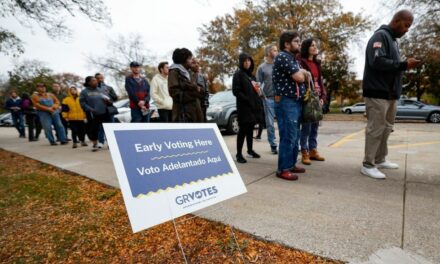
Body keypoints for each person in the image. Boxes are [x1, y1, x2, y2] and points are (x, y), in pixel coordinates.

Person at [361, 10, 422, 179]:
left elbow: (392, 66)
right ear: (396, 21)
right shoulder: (380, 36)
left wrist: (403, 66)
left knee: (386, 128)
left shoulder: (393, 41)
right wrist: (403, 64)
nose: (407, 29)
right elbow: (377, 61)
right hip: (377, 93)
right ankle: (368, 164)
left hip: (390, 94)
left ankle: (380, 159)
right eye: (406, 25)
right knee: (376, 129)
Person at [272, 31, 309, 181]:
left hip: (295, 101)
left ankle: (291, 164)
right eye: (296, 41)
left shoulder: (293, 59)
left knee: (295, 135)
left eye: (299, 42)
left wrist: (302, 72)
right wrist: (303, 73)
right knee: (288, 135)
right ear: (286, 44)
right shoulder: (283, 56)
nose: (299, 44)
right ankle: (283, 169)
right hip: (286, 101)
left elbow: (301, 75)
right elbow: (300, 77)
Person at [299, 38, 326, 165]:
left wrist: (322, 97)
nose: (315, 48)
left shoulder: (317, 63)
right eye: (312, 46)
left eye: (316, 45)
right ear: (306, 48)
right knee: (306, 127)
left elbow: (320, 81)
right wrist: (308, 96)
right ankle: (304, 151)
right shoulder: (301, 62)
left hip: (318, 97)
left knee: (315, 125)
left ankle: (313, 150)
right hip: (308, 97)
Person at [232, 53, 263, 163]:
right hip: (244, 108)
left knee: (250, 129)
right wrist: (247, 99)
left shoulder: (252, 76)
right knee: (243, 130)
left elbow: (256, 90)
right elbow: (236, 91)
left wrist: (259, 95)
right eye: (245, 61)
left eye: (249, 60)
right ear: (241, 62)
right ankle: (238, 154)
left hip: (253, 107)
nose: (247, 63)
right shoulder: (238, 74)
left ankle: (250, 150)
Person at [168, 48, 204, 123]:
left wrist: (197, 89)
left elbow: (201, 90)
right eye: (190, 58)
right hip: (183, 114)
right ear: (183, 60)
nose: (192, 61)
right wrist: (194, 92)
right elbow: (174, 93)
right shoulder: (174, 72)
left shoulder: (188, 72)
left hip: (195, 112)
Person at [256, 44, 279, 154]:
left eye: (277, 50)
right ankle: (273, 145)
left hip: (280, 98)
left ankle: (285, 144)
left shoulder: (279, 65)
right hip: (268, 99)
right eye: (274, 50)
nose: (277, 52)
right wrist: (261, 94)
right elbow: (257, 84)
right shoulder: (261, 67)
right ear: (269, 52)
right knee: (270, 124)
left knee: (283, 123)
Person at [80, 76, 111, 151]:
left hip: (104, 112)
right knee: (94, 129)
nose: (96, 82)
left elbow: (109, 100)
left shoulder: (100, 90)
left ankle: (110, 143)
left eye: (96, 80)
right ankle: (95, 143)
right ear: (88, 82)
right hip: (93, 113)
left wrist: (108, 101)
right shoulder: (84, 92)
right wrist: (90, 109)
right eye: (93, 81)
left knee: (107, 128)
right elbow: (82, 103)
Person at [96, 73, 118, 148]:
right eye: (98, 78)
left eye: (101, 78)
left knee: (111, 126)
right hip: (99, 110)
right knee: (101, 126)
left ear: (103, 78)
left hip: (109, 110)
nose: (100, 80)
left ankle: (111, 142)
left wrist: (109, 95)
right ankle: (101, 142)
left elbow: (115, 98)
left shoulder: (109, 88)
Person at [190, 58, 209, 122]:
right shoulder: (187, 75)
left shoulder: (202, 77)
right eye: (194, 63)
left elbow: (205, 91)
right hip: (191, 107)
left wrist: (205, 102)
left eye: (198, 63)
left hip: (202, 105)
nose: (197, 65)